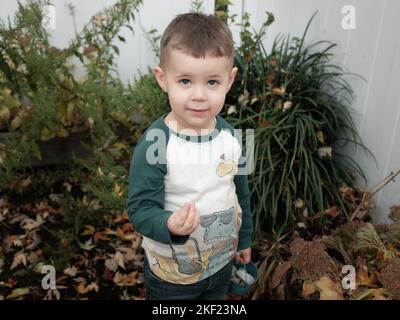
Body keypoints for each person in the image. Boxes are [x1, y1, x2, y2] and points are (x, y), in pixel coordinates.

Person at [127, 12, 253, 300]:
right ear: (163, 79)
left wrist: (244, 238)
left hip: (221, 264)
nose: (199, 95)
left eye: (212, 82)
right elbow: (140, 209)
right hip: (172, 275)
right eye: (185, 81)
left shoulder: (233, 138)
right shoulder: (156, 144)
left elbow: (241, 193)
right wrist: (169, 224)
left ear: (230, 80)